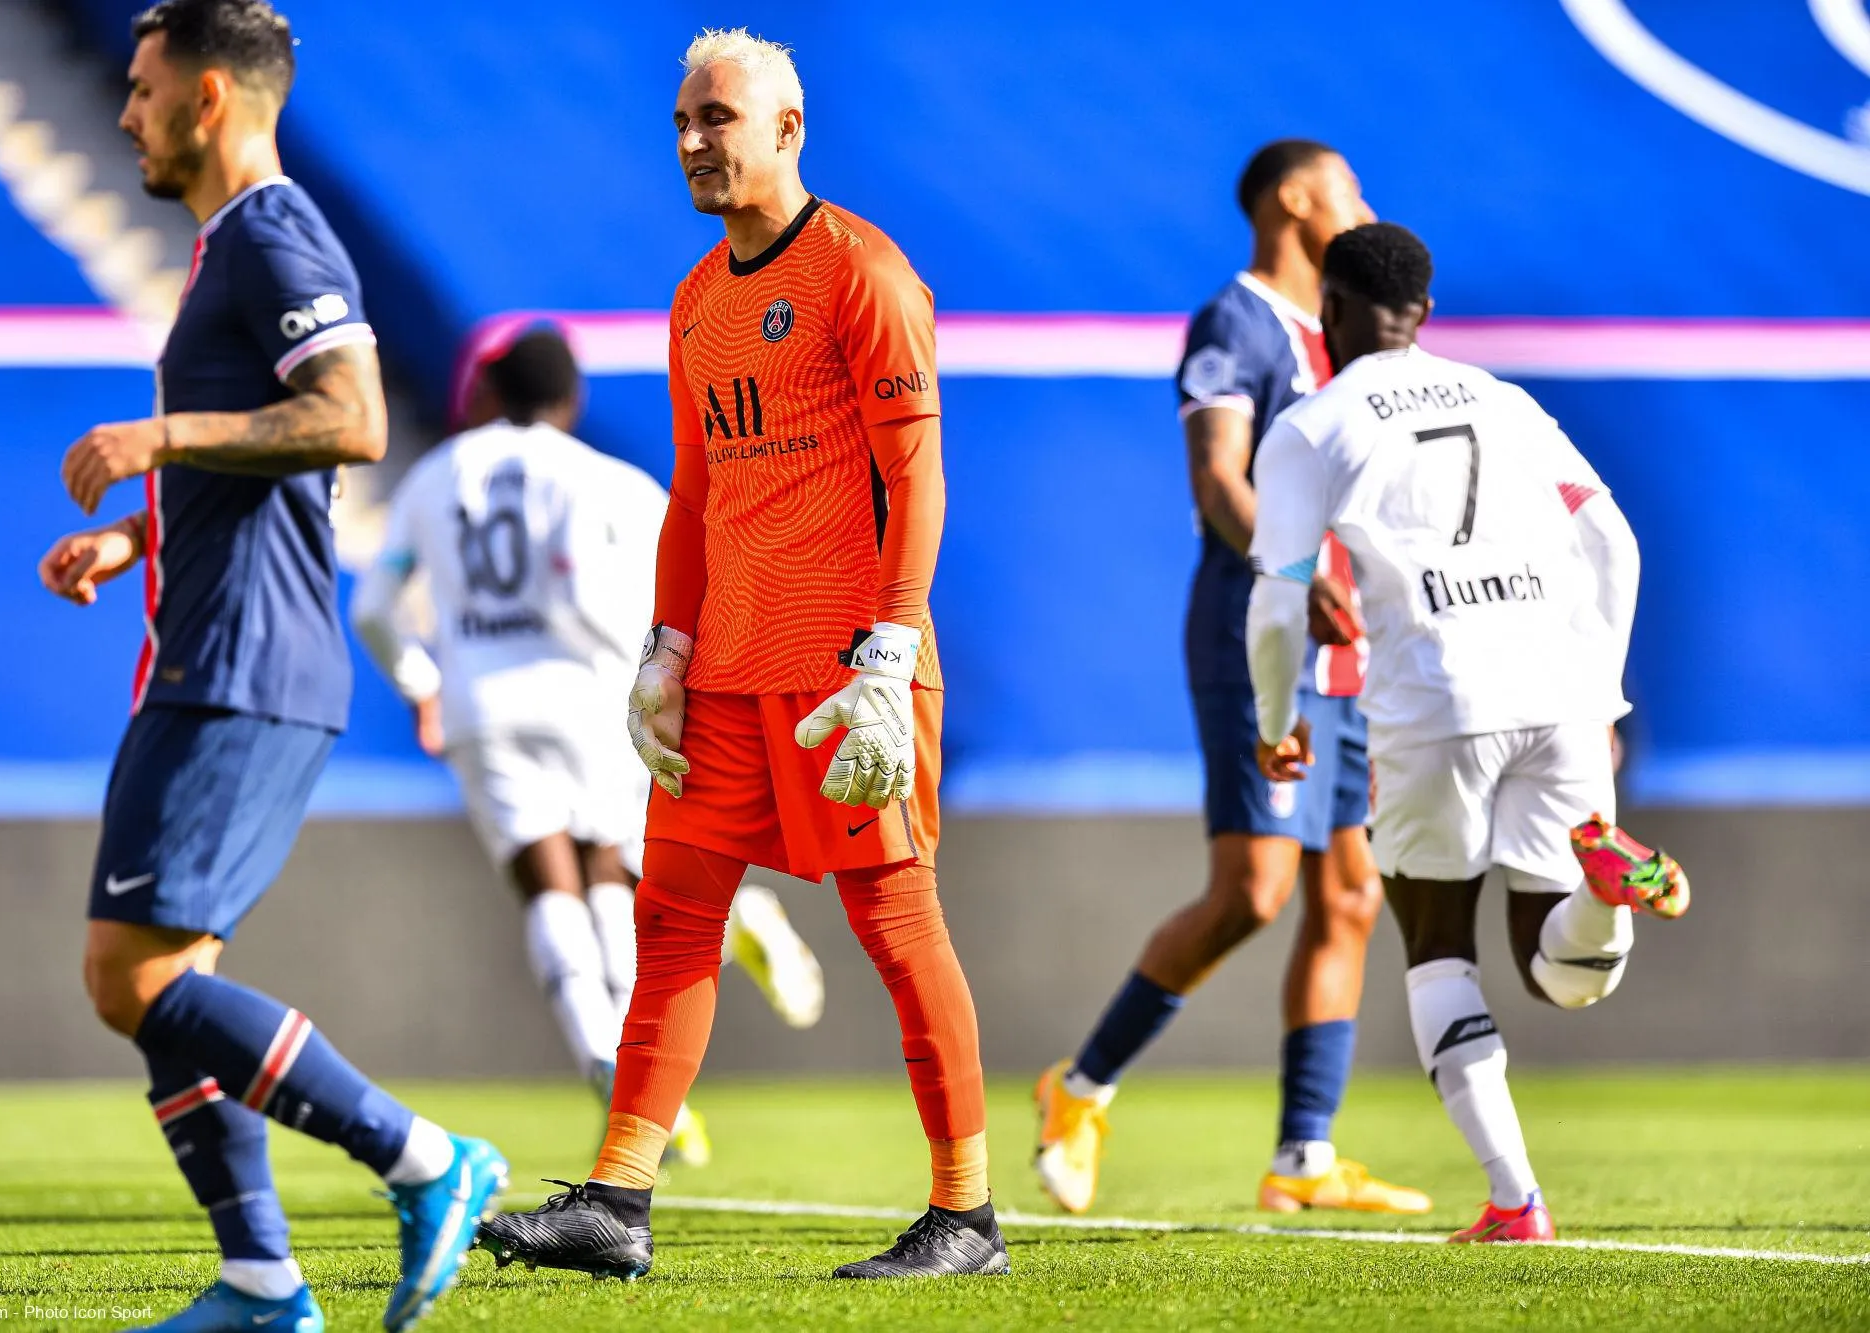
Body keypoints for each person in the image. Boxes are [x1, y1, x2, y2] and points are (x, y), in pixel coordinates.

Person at [475, 27, 1006, 1281]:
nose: (696, 142)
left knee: (893, 920)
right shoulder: (698, 298)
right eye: (682, 124)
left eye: (717, 117)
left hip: (846, 674)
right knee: (669, 920)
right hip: (724, 669)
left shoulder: (861, 273)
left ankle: (966, 1214)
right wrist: (664, 647)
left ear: (787, 127)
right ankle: (616, 1200)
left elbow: (915, 474)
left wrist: (886, 647)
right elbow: (697, 492)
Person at [35, 4, 504, 1328]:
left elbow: (349, 418)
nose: (124, 110)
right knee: (154, 985)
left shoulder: (274, 233)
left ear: (212, 99)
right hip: (212, 648)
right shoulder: (227, 250)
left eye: (142, 88)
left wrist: (163, 435)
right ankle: (258, 1283)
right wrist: (138, 533)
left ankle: (424, 1160)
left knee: (139, 981)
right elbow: (273, 458)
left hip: (246, 662)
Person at [1244, 221, 1689, 1243]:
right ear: (1426, 313)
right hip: (1559, 689)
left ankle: (1513, 1200)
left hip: (1434, 701)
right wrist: (1603, 693)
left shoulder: (1310, 427)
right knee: (1560, 969)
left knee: (1438, 948)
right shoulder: (1506, 400)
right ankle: (1601, 889)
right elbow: (1610, 542)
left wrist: (1276, 725)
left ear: (1327, 311)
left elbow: (1276, 599)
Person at [1034, 140, 1428, 1217]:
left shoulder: (1340, 337)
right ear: (1296, 200)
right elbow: (1215, 477)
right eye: (1351, 186)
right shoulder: (1237, 321)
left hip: (1344, 648)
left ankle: (1302, 1156)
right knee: (1252, 890)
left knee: (1350, 889)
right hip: (1260, 631)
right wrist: (1294, 580)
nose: (1366, 202)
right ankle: (1076, 1089)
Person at [349, 325, 827, 1167]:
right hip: (589, 694)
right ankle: (685, 1006)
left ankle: (607, 1063)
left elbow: (373, 607)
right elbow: (693, 569)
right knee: (618, 871)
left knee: (548, 889)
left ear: (488, 392)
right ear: (568, 400)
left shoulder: (435, 475)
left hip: (484, 705)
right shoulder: (606, 477)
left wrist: (422, 683)